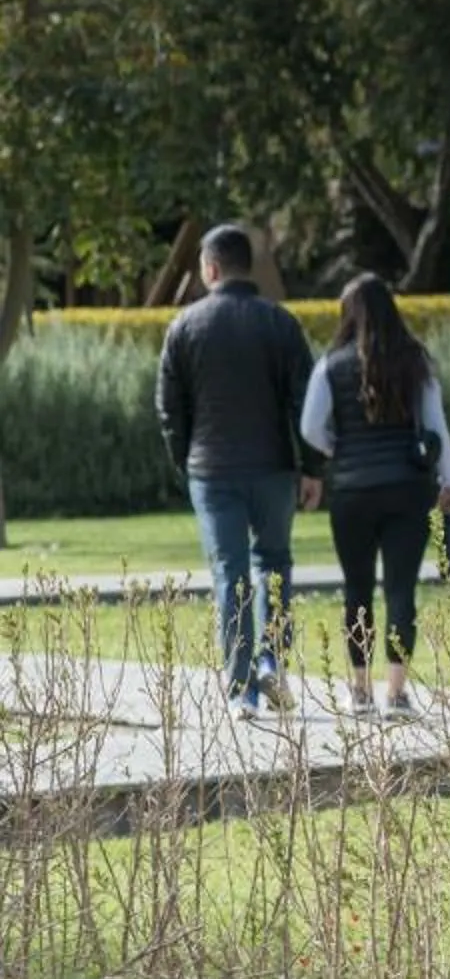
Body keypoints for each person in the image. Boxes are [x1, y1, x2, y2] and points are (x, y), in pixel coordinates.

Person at [155, 224, 318, 718]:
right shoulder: (280, 323)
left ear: (209, 268)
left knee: (230, 574)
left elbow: (169, 408)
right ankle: (273, 659)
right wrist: (311, 467)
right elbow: (304, 402)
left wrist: (185, 461)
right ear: (249, 266)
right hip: (272, 468)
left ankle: (242, 689)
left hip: (213, 469)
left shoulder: (184, 326)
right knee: (274, 564)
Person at [299, 276, 450, 716]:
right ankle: (398, 690)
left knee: (357, 588)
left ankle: (360, 689)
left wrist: (341, 449)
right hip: (409, 489)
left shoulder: (331, 365)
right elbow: (436, 425)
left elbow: (310, 428)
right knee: (400, 590)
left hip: (351, 492)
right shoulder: (415, 362)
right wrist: (449, 482)